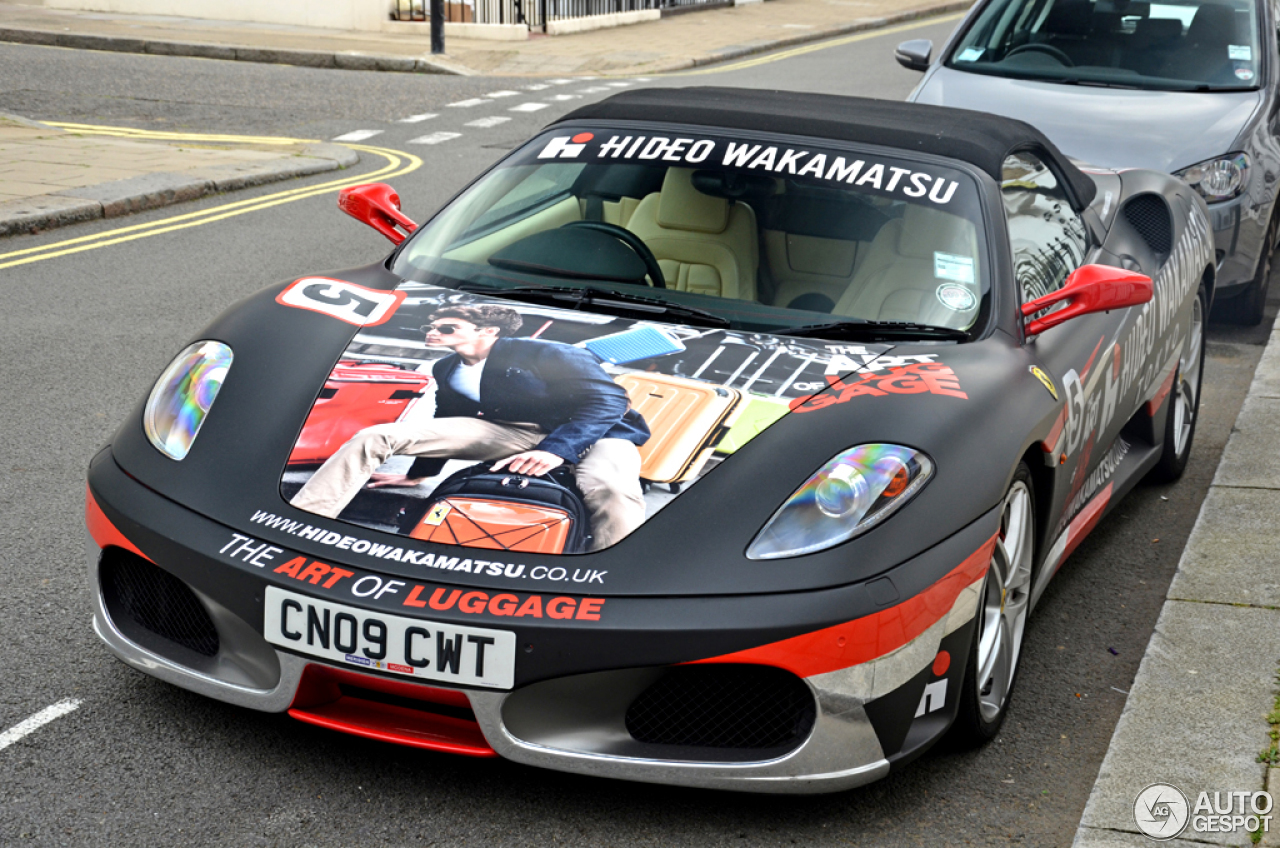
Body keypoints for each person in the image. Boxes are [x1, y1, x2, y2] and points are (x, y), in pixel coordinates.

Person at [290, 304, 650, 551]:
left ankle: (610, 576)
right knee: (376, 436)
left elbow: (610, 402)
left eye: (447, 327)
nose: (433, 332)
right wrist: (419, 473)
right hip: (512, 431)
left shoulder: (546, 352)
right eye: (429, 327)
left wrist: (556, 450)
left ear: (488, 331)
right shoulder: (446, 368)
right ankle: (306, 521)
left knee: (611, 490)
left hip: (598, 433)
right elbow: (447, 417)